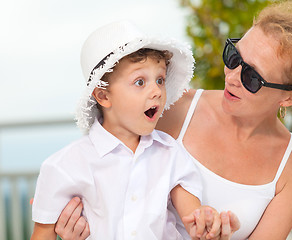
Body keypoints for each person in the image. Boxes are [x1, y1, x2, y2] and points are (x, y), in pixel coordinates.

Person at [54, 1, 292, 239]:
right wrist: (74, 225)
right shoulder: (175, 108)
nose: (231, 77)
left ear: (290, 97)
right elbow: (99, 175)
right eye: (234, 57)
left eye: (252, 77)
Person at [31, 21, 233, 240]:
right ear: (103, 96)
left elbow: (193, 215)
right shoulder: (64, 166)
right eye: (139, 82)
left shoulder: (170, 153)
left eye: (160, 80)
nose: (156, 91)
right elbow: (43, 234)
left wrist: (205, 220)